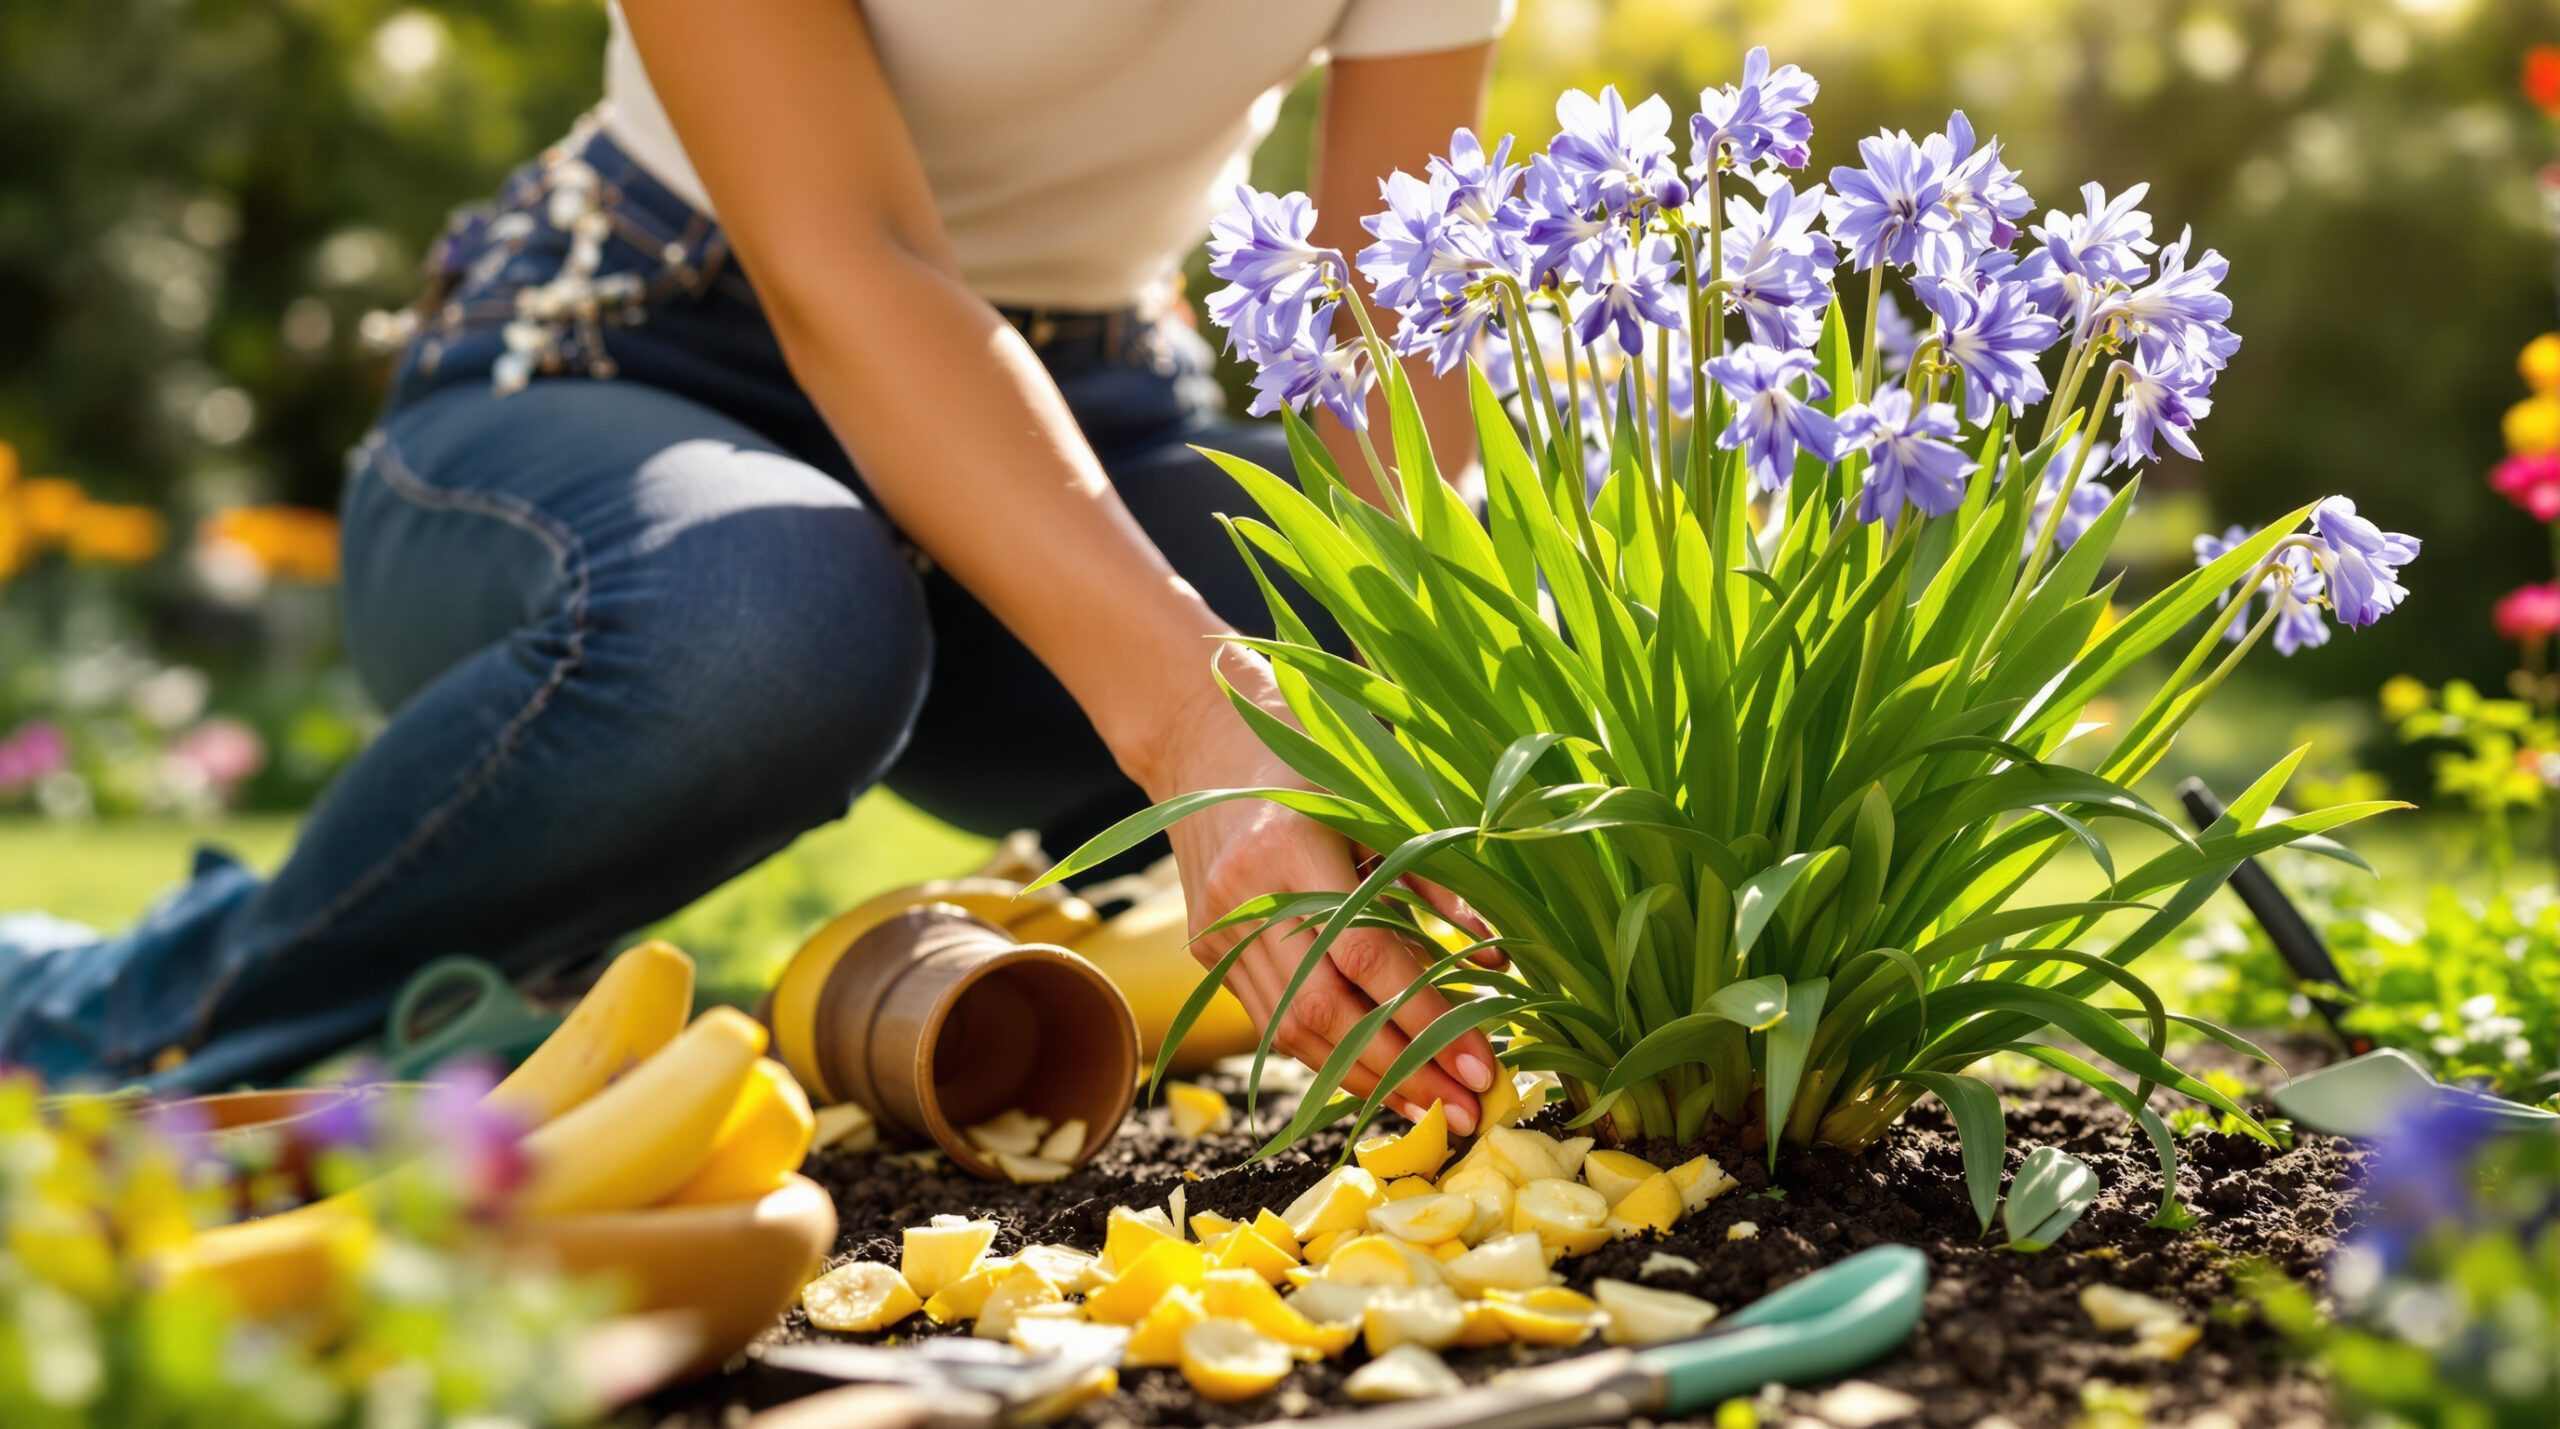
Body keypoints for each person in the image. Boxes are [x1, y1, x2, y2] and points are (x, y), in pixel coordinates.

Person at [0, 0, 1514, 1134]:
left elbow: (1395, 327)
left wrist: (1413, 718)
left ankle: (1083, 959)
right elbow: (849, 255)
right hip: (632, 362)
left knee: (1340, 606)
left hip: (1090, 395)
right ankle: (158, 1003)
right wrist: (1195, 718)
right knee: (771, 618)